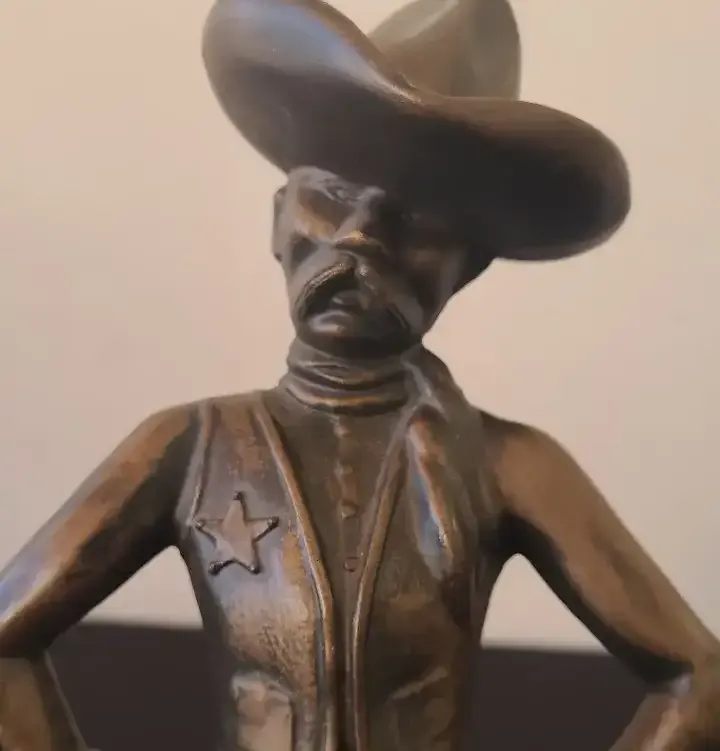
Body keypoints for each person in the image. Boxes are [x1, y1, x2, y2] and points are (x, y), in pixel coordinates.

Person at [1, 0, 718, 749]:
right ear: (279, 218)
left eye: (416, 218)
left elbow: (699, 678)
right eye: (332, 195)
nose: (360, 240)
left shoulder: (504, 466)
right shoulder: (192, 448)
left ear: (467, 268)